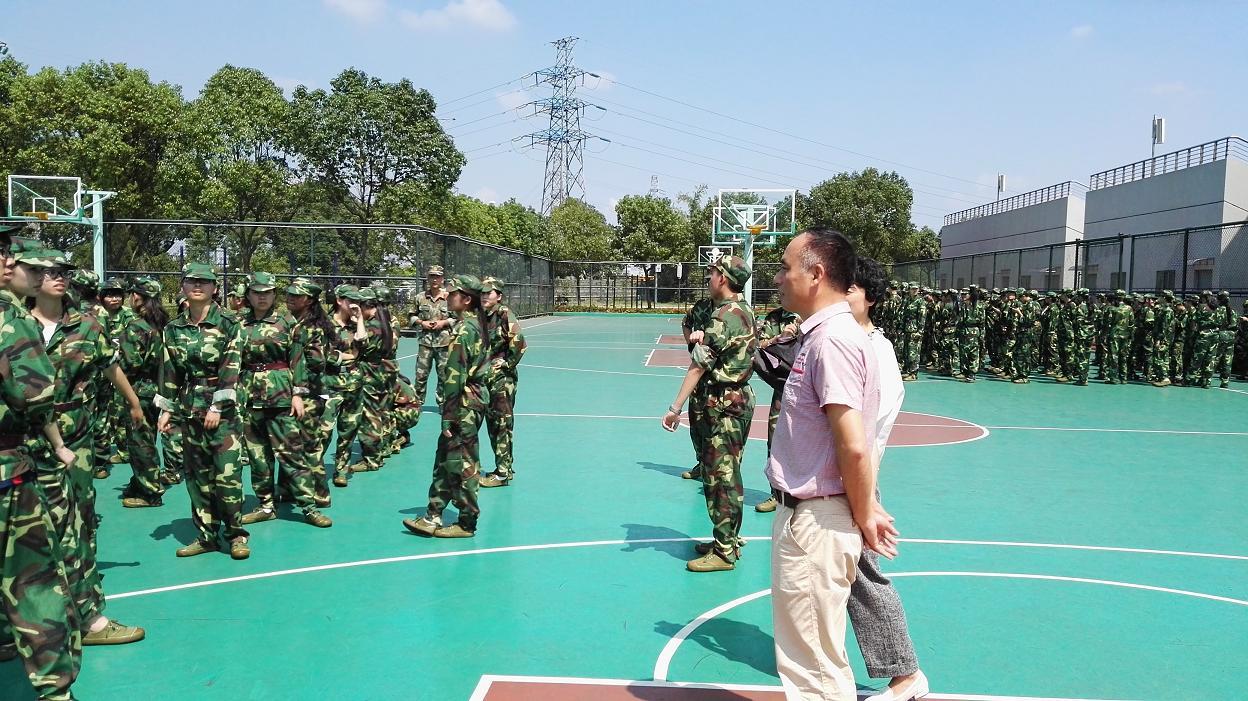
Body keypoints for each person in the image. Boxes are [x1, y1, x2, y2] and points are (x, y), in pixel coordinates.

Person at [765, 228, 898, 701]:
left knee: (815, 671)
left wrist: (864, 512)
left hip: (817, 520)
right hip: (810, 514)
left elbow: (853, 444)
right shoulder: (825, 337)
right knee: (812, 659)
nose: (778, 278)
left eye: (785, 268)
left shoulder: (833, 342)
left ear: (816, 274)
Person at [15, 245, 146, 647]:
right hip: (21, 437)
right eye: (49, 270)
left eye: (64, 271)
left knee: (80, 521)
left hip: (74, 435)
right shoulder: (14, 322)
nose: (58, 277)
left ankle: (88, 615)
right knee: (22, 529)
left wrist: (134, 402)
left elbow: (109, 366)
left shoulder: (86, 324)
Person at [0, 226, 83, 701]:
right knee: (34, 583)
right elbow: (35, 394)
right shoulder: (10, 320)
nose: (11, 262)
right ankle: (55, 689)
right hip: (9, 469)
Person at [846, 257, 929, 701]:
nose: (843, 296)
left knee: (862, 573)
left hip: (855, 477)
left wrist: (866, 495)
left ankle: (905, 673)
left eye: (851, 289)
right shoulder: (836, 339)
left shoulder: (876, 350)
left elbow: (872, 431)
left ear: (871, 298)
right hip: (832, 476)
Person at [661, 254, 757, 573]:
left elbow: (699, 365)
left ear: (724, 278)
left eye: (713, 273)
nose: (709, 278)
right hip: (734, 399)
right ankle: (727, 540)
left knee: (722, 478)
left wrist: (675, 408)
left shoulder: (724, 316)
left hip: (722, 402)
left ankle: (725, 551)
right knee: (725, 473)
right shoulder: (743, 310)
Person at [156, 263, 252, 560]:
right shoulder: (173, 328)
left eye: (204, 282)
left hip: (224, 411)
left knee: (227, 474)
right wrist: (167, 409)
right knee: (197, 476)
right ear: (183, 286)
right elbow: (170, 371)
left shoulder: (229, 323)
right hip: (190, 408)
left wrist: (217, 406)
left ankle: (236, 534)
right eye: (191, 281)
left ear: (215, 288)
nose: (197, 286)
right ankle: (206, 536)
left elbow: (231, 367)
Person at [234, 272, 331, 529]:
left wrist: (298, 394)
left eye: (267, 292)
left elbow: (297, 360)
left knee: (292, 454)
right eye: (256, 292)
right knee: (257, 457)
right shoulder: (238, 324)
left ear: (274, 295)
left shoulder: (287, 323)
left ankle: (308, 507)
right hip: (248, 395)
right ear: (248, 295)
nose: (261, 297)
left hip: (281, 395)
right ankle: (266, 505)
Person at [403, 274, 491, 539]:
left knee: (462, 463)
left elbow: (454, 377)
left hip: (463, 405)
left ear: (466, 299)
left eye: (453, 293)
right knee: (444, 459)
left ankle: (467, 522)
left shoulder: (465, 330)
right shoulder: (473, 324)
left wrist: (448, 415)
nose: (448, 296)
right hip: (468, 401)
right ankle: (433, 514)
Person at [118, 277, 170, 508]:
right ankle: (140, 482)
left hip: (138, 390)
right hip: (156, 389)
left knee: (140, 442)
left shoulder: (136, 326)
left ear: (137, 297)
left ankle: (150, 491)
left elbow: (130, 363)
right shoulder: (162, 324)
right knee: (147, 439)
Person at [752, 304, 801, 513]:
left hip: (812, 389)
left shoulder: (813, 314)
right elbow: (759, 345)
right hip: (784, 389)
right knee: (776, 440)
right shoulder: (775, 317)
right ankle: (777, 493)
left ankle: (806, 495)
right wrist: (779, 338)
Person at [480, 276, 528, 488]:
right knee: (493, 425)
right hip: (487, 378)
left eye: (488, 292)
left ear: (498, 296)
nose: (484, 296)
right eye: (482, 292)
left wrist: (506, 364)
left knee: (501, 425)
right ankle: (505, 467)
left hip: (502, 380)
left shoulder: (504, 314)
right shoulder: (482, 315)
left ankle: (502, 474)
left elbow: (520, 343)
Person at [328, 285, 367, 488]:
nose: (354, 305)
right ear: (339, 300)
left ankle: (341, 470)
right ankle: (314, 472)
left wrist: (359, 319)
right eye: (350, 301)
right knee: (322, 432)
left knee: (348, 430)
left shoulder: (355, 325)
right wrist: (342, 356)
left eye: (357, 301)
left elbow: (362, 344)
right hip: (330, 384)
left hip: (353, 384)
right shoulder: (326, 324)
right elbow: (320, 352)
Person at [679, 287, 716, 481]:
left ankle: (713, 469)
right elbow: (686, 323)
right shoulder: (701, 306)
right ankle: (701, 464)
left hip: (718, 377)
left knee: (715, 427)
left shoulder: (730, 311)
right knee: (696, 421)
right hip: (700, 376)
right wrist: (691, 345)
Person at [411, 265, 452, 408]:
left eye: (437, 277)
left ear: (442, 279)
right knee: (420, 375)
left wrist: (444, 322)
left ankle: (443, 404)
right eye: (432, 276)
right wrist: (422, 323)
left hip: (444, 343)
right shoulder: (420, 297)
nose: (434, 279)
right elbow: (411, 316)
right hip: (425, 343)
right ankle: (417, 404)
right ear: (428, 278)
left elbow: (458, 317)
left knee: (444, 376)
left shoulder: (449, 297)